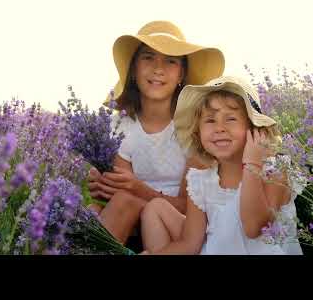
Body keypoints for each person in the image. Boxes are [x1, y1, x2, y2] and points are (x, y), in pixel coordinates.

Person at [87, 20, 225, 249]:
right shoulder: (119, 126)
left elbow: (193, 209)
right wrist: (103, 184)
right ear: (133, 69)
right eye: (148, 57)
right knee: (91, 211)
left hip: (180, 226)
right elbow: (119, 195)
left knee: (129, 202)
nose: (158, 69)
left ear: (181, 73)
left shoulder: (196, 128)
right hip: (132, 221)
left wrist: (139, 190)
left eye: (170, 61)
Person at [140, 76, 306, 254]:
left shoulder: (275, 172)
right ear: (198, 132)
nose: (219, 128)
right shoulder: (201, 182)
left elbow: (254, 227)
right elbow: (190, 244)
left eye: (231, 119)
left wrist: (252, 164)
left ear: (255, 129)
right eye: (210, 121)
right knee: (155, 209)